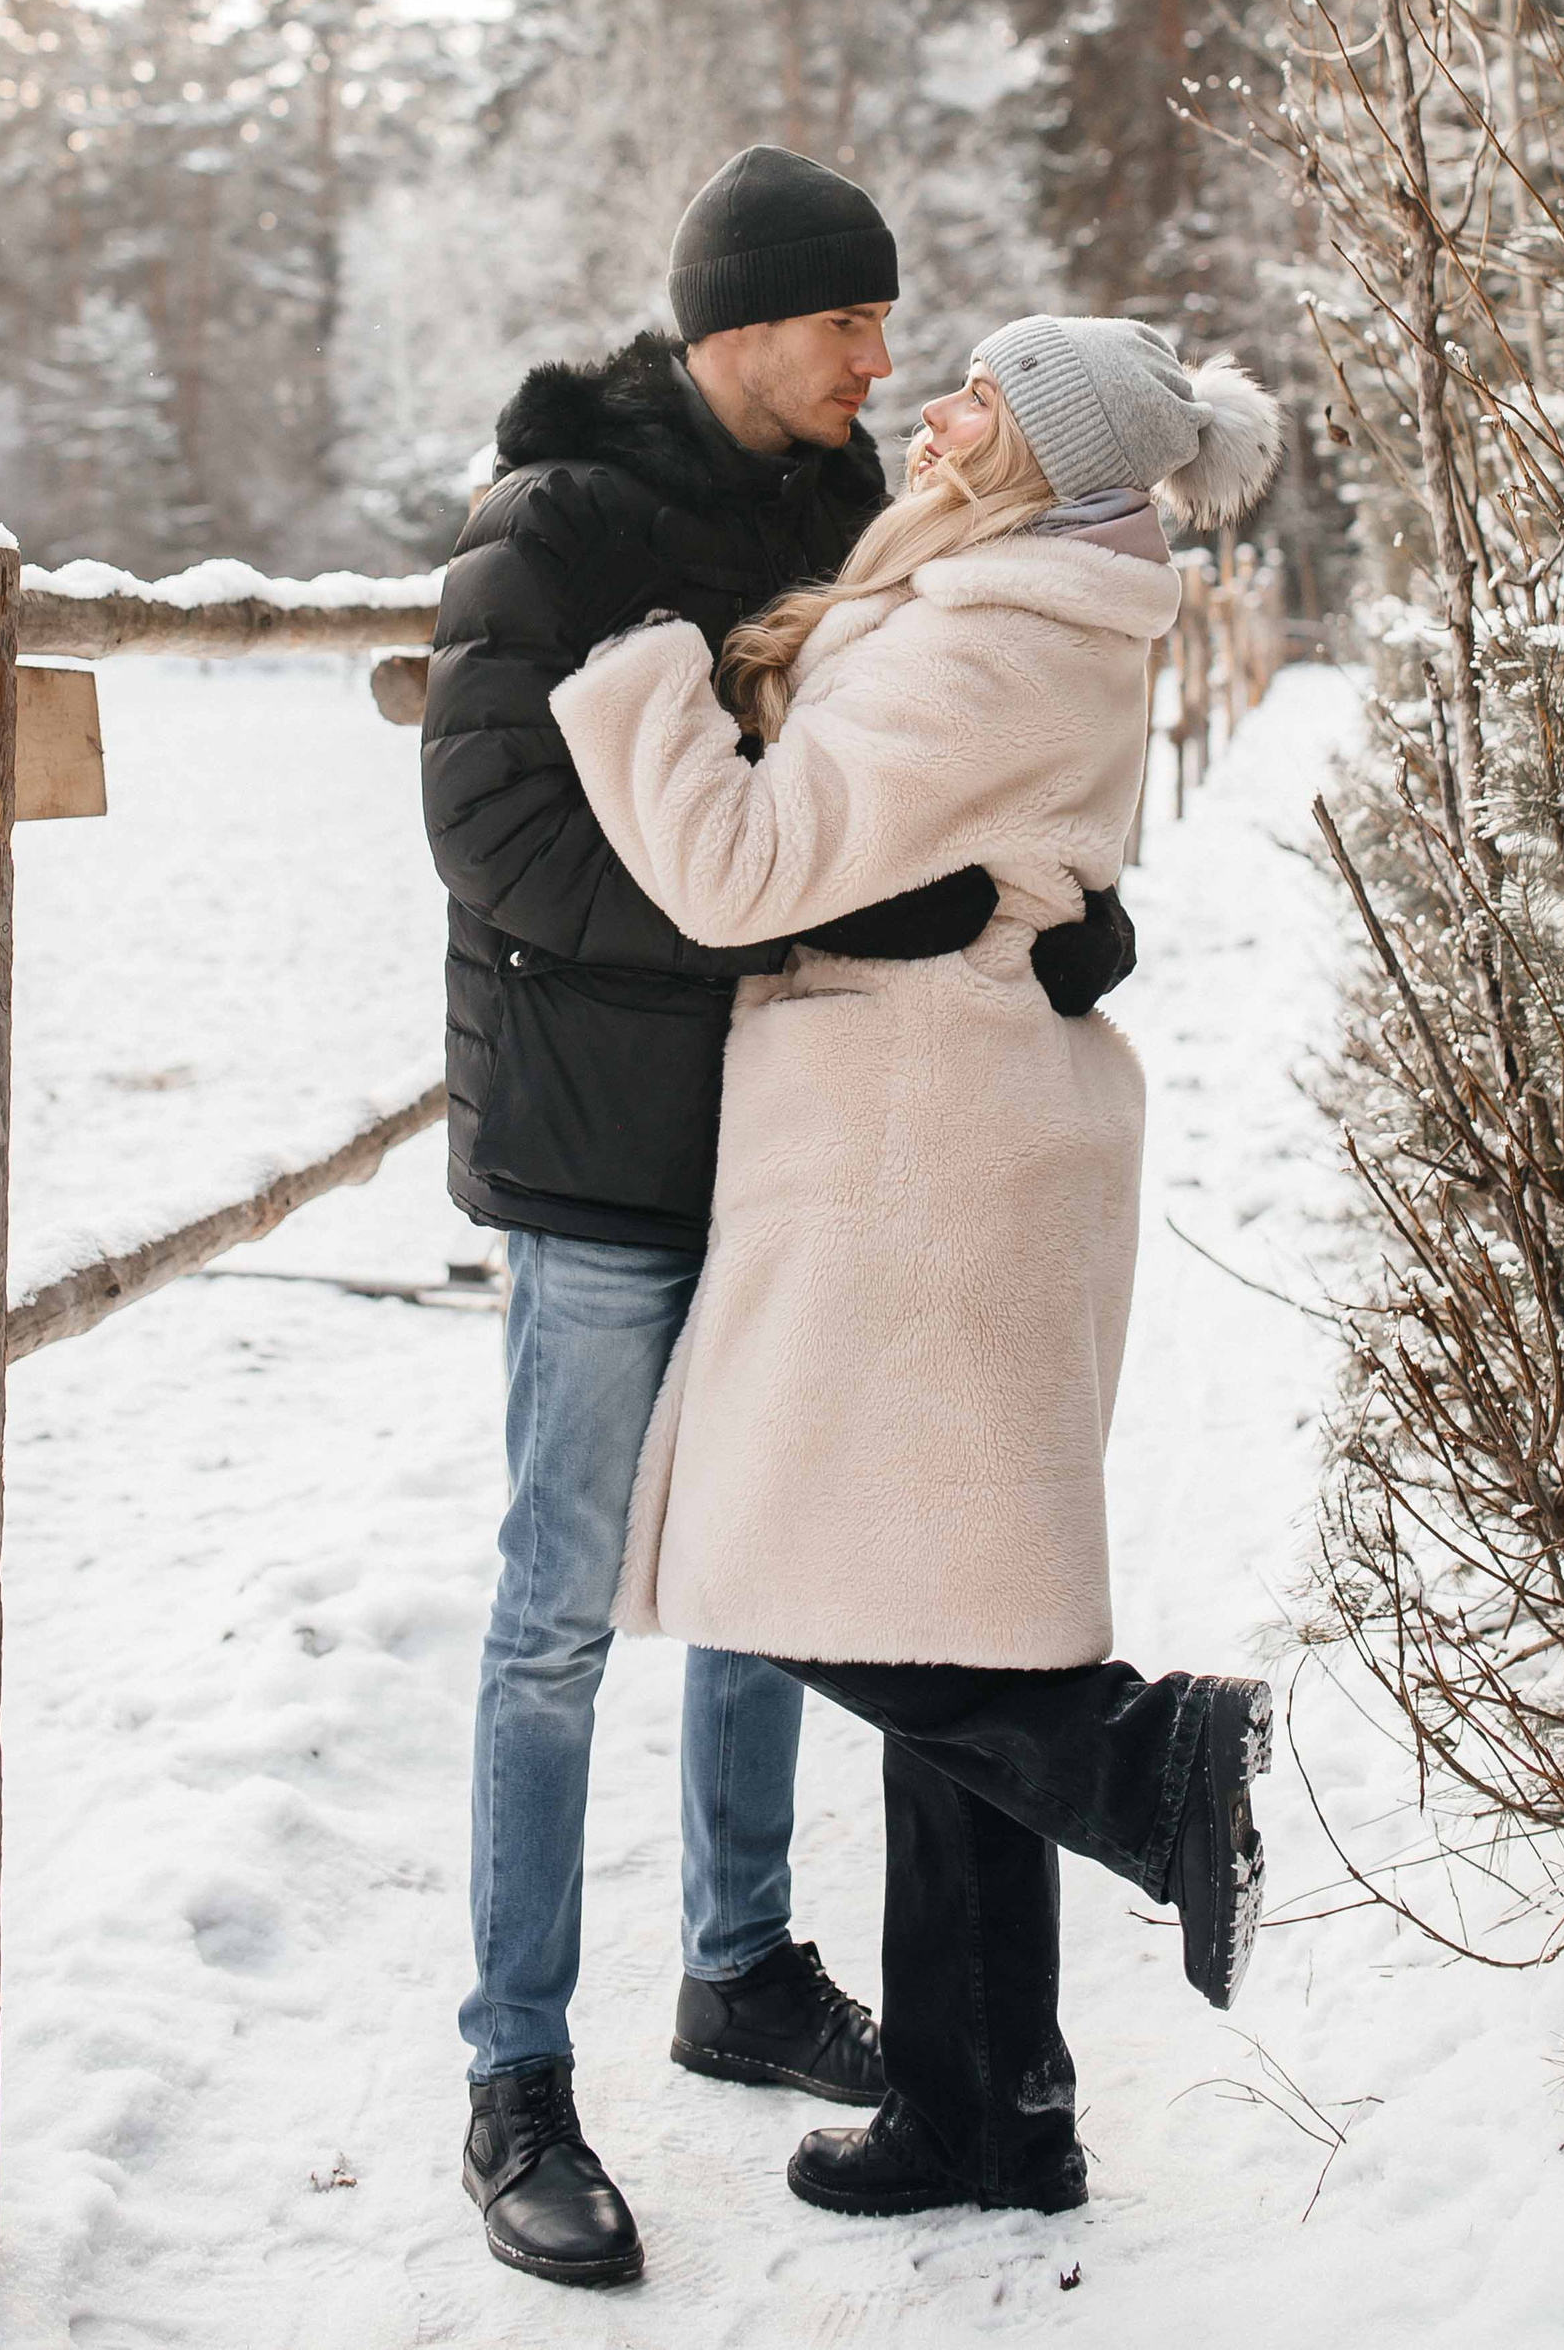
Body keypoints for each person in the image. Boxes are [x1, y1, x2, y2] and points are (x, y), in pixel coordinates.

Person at [420, 152, 1138, 2287]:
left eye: (890, 323)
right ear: (738, 319)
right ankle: (514, 2075)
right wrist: (779, 931)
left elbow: (915, 782)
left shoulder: (845, 515)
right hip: (597, 1142)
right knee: (559, 1612)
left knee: (763, 1570)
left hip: (793, 1139)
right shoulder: (551, 523)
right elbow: (495, 831)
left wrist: (1050, 925)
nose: (880, 362)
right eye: (848, 321)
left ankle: (737, 1967)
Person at [548, 312, 1284, 2222]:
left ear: (1042, 457)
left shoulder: (984, 633)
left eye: (982, 396)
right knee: (962, 1620)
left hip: (915, 1151)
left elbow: (733, 870)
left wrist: (635, 674)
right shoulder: (1040, 603)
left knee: (782, 1566)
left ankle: (1142, 1768)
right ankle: (990, 2113)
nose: (935, 408)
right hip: (964, 1126)